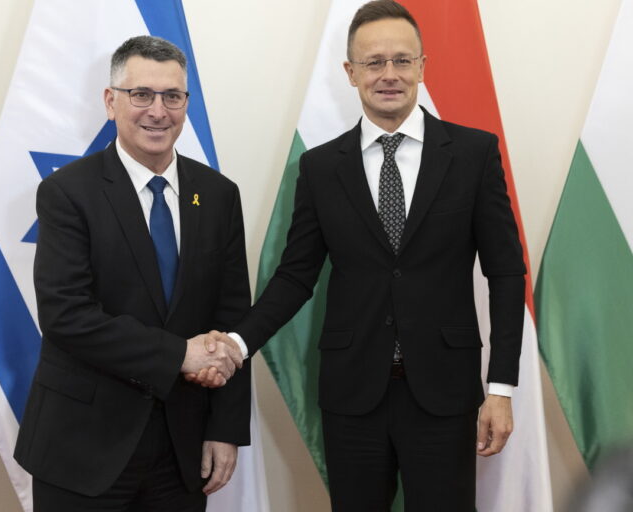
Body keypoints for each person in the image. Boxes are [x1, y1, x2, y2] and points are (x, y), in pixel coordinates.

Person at [192, 1, 526, 510]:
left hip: (445, 392)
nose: (388, 74)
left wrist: (500, 386)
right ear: (350, 73)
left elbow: (505, 272)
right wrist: (237, 343)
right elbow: (295, 277)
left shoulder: (473, 153)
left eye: (401, 60)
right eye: (374, 62)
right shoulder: (321, 167)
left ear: (421, 67)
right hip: (353, 396)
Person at [14, 35, 251, 512]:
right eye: (141, 94)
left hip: (181, 450)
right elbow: (66, 316)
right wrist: (178, 354)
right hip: (82, 447)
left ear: (186, 104)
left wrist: (225, 429)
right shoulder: (67, 192)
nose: (157, 111)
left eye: (172, 96)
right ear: (111, 101)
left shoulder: (219, 195)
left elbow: (232, 319)